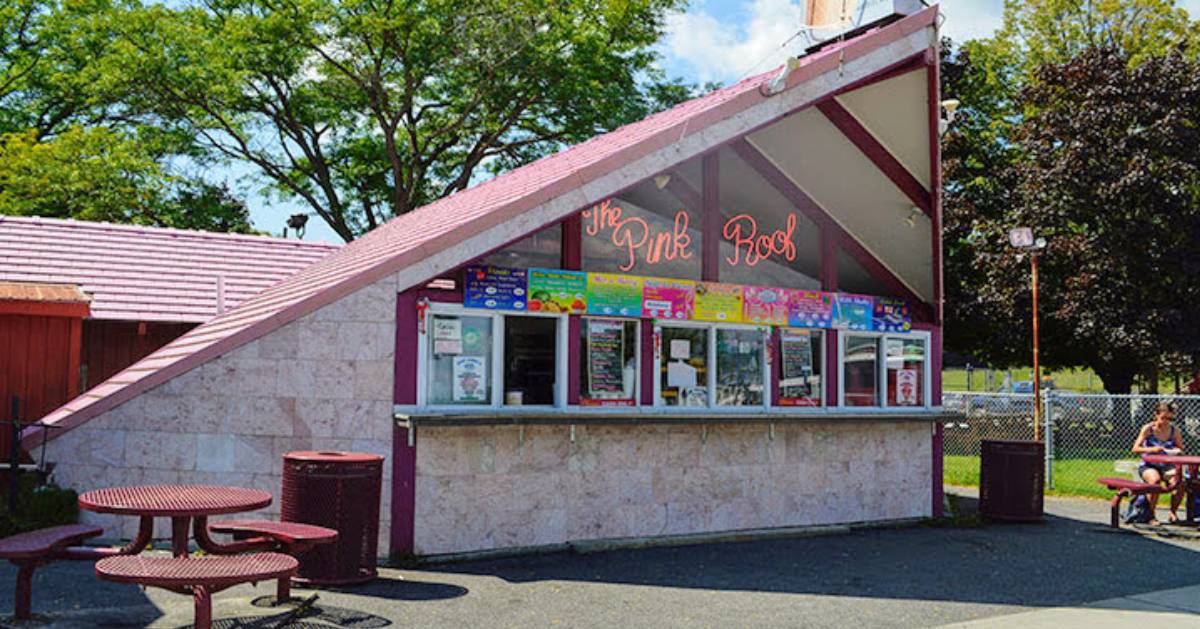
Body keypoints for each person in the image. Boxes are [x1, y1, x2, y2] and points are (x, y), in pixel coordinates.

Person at [1131, 402, 1186, 524]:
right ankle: (1151, 515)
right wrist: (1151, 450)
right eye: (1163, 418)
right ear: (1156, 415)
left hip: (1167, 465)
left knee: (1180, 482)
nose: (1166, 421)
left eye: (1170, 418)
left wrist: (1175, 451)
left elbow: (1181, 449)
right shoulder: (1148, 429)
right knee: (1155, 481)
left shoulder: (1174, 430)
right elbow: (1135, 448)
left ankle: (1173, 513)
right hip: (1149, 465)